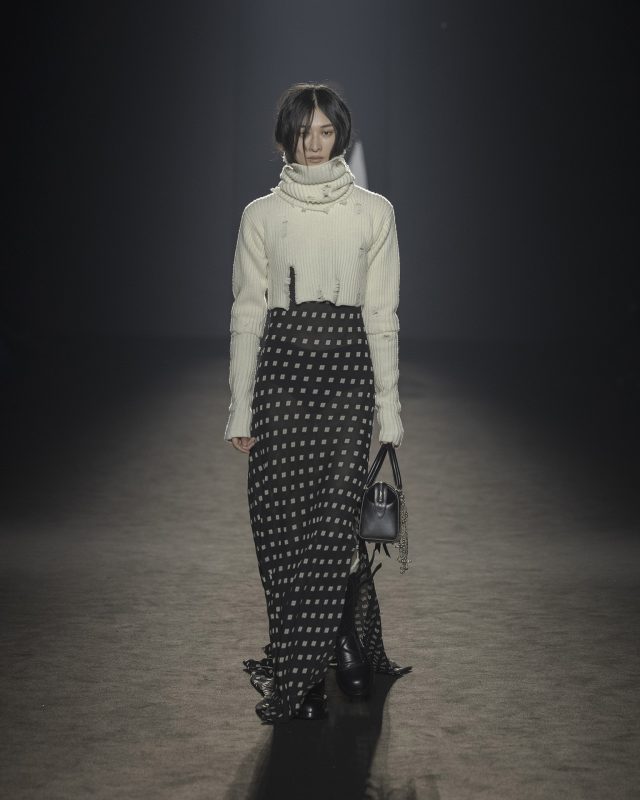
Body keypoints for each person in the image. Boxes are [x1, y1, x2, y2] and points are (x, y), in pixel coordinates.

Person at [224, 82, 410, 723]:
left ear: (340, 135)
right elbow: (247, 314)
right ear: (286, 135)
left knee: (334, 520)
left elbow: (382, 314)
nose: (314, 143)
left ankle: (339, 641)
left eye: (325, 131)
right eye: (303, 131)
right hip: (280, 375)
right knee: (280, 524)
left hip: (346, 377)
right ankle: (305, 662)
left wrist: (389, 409)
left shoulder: (373, 212)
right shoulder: (260, 216)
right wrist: (239, 406)